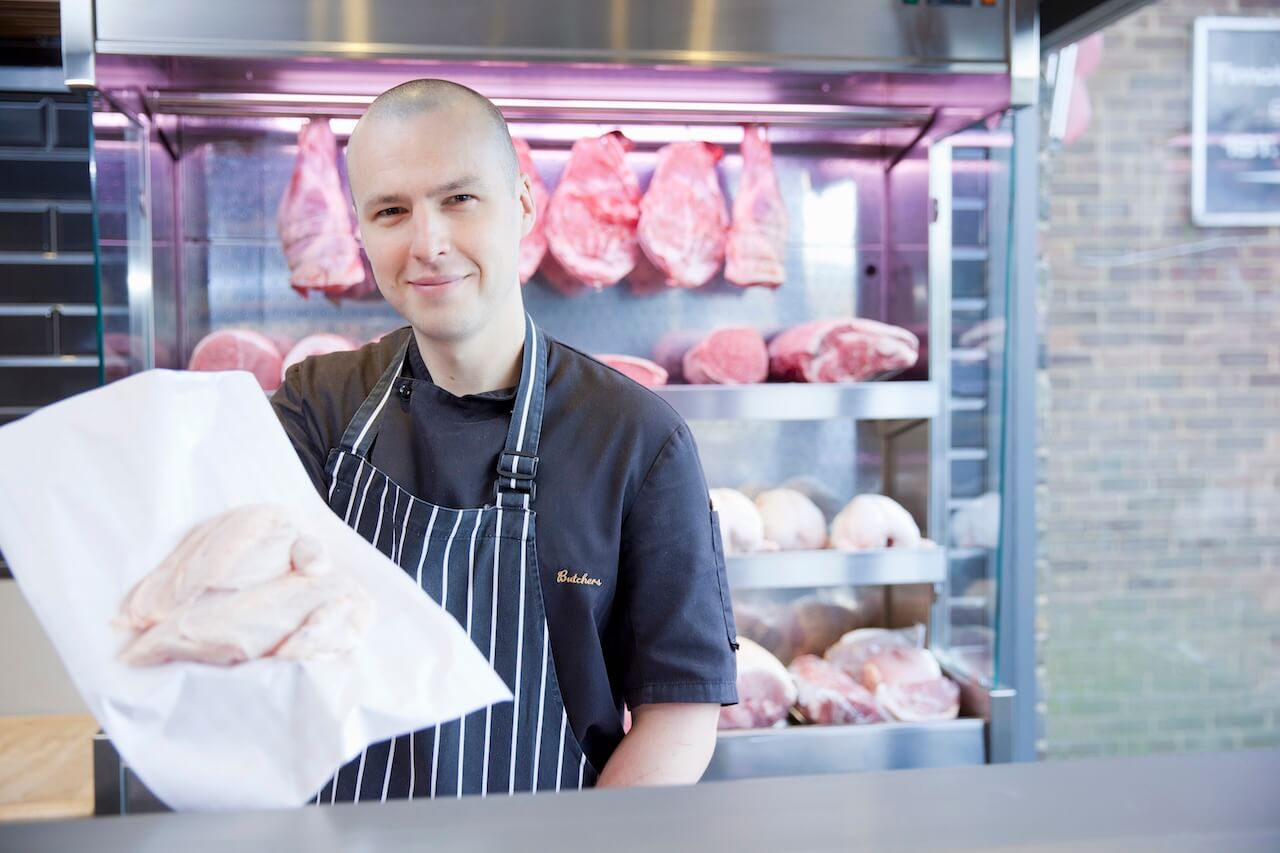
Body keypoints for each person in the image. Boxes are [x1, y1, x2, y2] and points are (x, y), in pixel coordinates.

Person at [271, 79, 738, 800]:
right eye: (391, 211)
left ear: (522, 204)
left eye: (459, 199)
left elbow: (678, 716)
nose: (428, 244)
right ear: (361, 231)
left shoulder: (638, 439)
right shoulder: (315, 407)